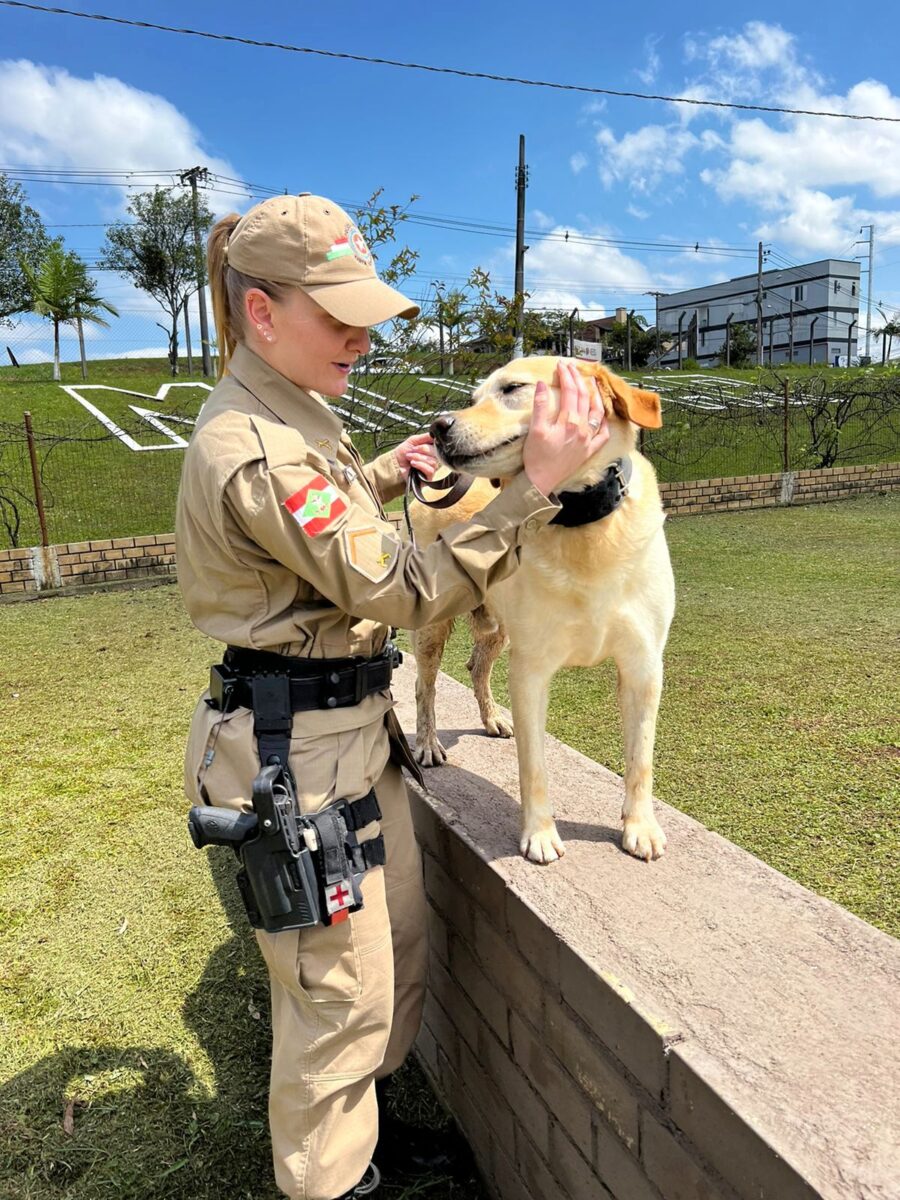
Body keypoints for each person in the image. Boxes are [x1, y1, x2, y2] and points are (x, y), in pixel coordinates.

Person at [175, 192, 609, 1200]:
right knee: (336, 1000)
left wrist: (380, 473)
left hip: (347, 735)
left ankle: (362, 1143)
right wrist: (530, 485)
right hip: (300, 755)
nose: (363, 338)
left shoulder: (292, 407)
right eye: (339, 317)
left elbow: (317, 522)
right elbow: (404, 592)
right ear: (261, 313)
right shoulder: (254, 445)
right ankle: (333, 1182)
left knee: (393, 956)